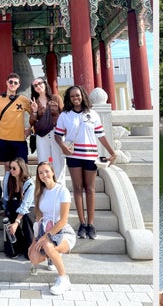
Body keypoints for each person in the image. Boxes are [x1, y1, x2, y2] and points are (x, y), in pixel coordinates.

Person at [54, 85, 117, 240]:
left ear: (83, 95)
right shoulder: (65, 115)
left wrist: (112, 152)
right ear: (69, 99)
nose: (76, 98)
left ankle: (91, 224)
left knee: (90, 189)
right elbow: (57, 135)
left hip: (90, 155)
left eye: (78, 95)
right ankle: (82, 224)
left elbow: (101, 135)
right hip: (73, 155)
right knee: (77, 188)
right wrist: (63, 147)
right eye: (72, 96)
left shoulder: (93, 114)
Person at [28, 161, 76, 295]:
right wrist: (34, 241)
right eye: (40, 173)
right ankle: (53, 256)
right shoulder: (40, 193)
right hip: (45, 230)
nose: (44, 175)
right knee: (33, 257)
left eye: (46, 171)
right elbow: (38, 219)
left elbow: (63, 220)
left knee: (49, 247)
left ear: (53, 172)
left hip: (62, 231)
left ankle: (63, 279)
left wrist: (46, 237)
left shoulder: (62, 191)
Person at [0, 72, 32, 172]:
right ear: (7, 83)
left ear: (19, 85)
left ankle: (22, 187)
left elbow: (35, 116)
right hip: (3, 138)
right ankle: (8, 187)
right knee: (8, 167)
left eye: (15, 83)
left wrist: (30, 129)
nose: (13, 84)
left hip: (19, 139)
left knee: (22, 167)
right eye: (11, 82)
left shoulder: (24, 100)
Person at [30, 77, 66, 185]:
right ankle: (46, 185)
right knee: (43, 159)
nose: (38, 86)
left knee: (58, 159)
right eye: (35, 86)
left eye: (40, 83)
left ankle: (60, 185)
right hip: (42, 134)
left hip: (56, 132)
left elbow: (64, 115)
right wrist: (35, 111)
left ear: (45, 84)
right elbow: (32, 122)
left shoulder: (56, 98)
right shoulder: (34, 101)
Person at [2, 157, 35, 259]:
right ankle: (14, 248)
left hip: (28, 208)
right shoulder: (8, 177)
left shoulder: (29, 183)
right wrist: (5, 209)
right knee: (8, 216)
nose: (11, 170)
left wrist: (16, 222)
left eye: (14, 168)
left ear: (21, 168)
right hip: (13, 206)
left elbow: (26, 205)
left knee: (26, 217)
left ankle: (30, 247)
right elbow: (6, 196)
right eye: (10, 168)